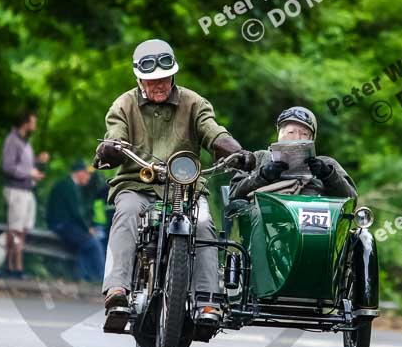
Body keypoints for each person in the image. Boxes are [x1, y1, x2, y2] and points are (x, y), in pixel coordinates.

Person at [93, 38, 255, 324]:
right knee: (126, 213)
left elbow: (213, 132)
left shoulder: (194, 102)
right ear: (139, 79)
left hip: (186, 186)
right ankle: (117, 289)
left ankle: (208, 301)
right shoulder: (124, 104)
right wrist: (111, 147)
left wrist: (237, 151)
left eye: (164, 79)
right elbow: (115, 136)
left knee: (204, 223)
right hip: (137, 184)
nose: (159, 85)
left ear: (173, 75)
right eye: (152, 80)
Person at [229, 106, 357, 200]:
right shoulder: (258, 157)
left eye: (304, 133)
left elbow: (351, 199)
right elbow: (234, 193)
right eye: (291, 132)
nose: (297, 137)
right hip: (269, 222)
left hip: (318, 223)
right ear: (279, 134)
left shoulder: (327, 163)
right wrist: (262, 176)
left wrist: (328, 175)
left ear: (311, 139)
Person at [2, 110, 47, 279]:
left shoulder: (24, 142)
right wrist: (30, 173)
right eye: (33, 122)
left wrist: (36, 161)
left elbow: (21, 164)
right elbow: (8, 167)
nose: (34, 126)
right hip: (16, 190)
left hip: (27, 190)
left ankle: (15, 266)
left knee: (23, 230)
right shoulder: (12, 140)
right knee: (15, 229)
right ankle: (13, 267)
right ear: (25, 123)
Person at [47, 160, 105, 282]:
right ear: (79, 173)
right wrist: (87, 229)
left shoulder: (69, 185)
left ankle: (86, 277)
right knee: (92, 243)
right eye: (87, 174)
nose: (89, 177)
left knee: (87, 244)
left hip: (65, 224)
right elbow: (76, 213)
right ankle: (101, 278)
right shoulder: (68, 186)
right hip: (61, 225)